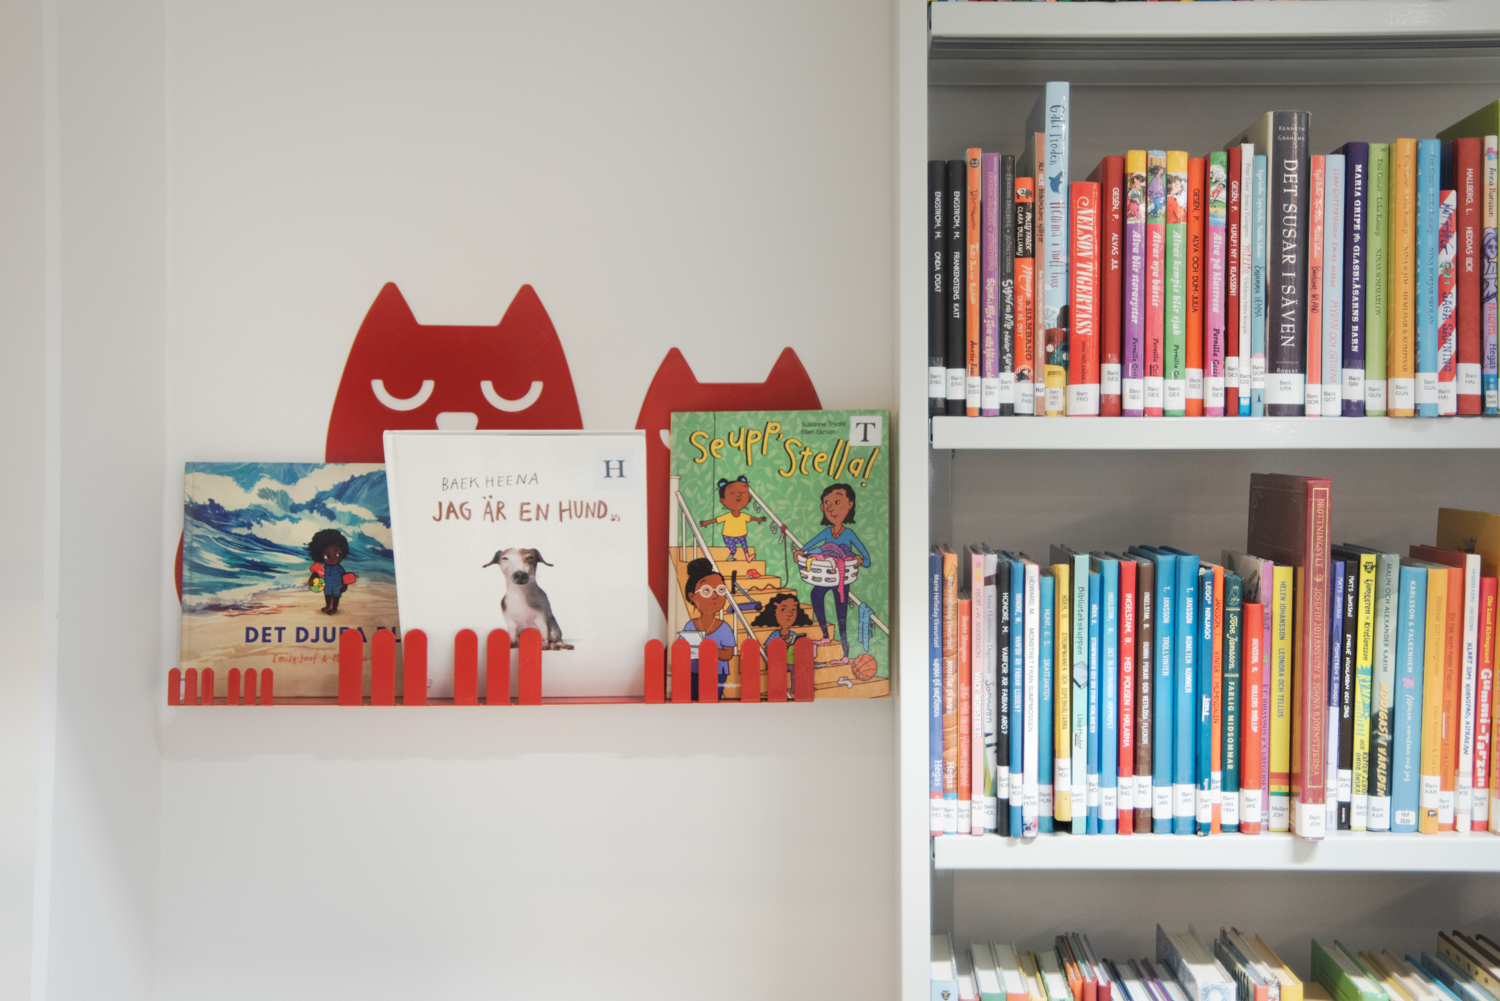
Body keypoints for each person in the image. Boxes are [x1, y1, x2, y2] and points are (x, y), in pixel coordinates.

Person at [793, 484, 870, 663]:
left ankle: (845, 654)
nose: (831, 508)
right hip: (826, 575)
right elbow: (810, 545)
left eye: (837, 502)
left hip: (842, 578)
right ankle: (825, 636)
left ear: (849, 505)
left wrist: (858, 559)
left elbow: (867, 560)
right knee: (815, 594)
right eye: (827, 503)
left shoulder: (849, 534)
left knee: (841, 615)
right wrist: (801, 552)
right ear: (822, 507)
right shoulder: (827, 532)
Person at [679, 557, 736, 700]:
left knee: (712, 699)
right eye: (707, 591)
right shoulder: (690, 626)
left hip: (717, 672)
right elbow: (681, 649)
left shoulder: (724, 628)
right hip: (694, 670)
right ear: (692, 596)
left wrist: (707, 650)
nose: (715, 595)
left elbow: (728, 654)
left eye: (720, 590)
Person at [700, 476, 765, 561]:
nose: (738, 495)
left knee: (744, 545)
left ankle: (747, 557)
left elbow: (750, 518)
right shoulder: (727, 516)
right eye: (732, 494)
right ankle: (730, 556)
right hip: (729, 537)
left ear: (749, 499)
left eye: (743, 493)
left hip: (741, 536)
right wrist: (706, 522)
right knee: (733, 549)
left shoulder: (743, 515)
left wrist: (758, 519)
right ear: (723, 501)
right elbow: (716, 520)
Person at [307, 528, 355, 615]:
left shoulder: (339, 568)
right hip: (327, 585)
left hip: (337, 585)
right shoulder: (324, 568)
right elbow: (317, 574)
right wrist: (312, 580)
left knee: (336, 597)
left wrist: (344, 586)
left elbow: (344, 577)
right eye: (327, 556)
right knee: (327, 595)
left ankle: (334, 608)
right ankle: (328, 606)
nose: (333, 558)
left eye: (337, 554)